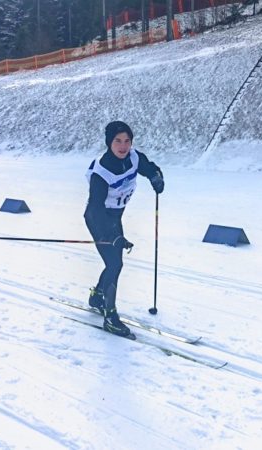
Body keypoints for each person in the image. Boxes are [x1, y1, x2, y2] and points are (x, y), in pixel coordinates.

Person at [84, 121, 164, 337]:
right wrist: (111, 237)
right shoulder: (101, 171)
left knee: (114, 263)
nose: (123, 146)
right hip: (98, 219)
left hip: (116, 217)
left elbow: (149, 168)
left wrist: (157, 177)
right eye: (118, 141)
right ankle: (110, 317)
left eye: (127, 141)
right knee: (115, 263)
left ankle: (97, 296)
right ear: (109, 142)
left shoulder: (134, 157)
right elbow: (94, 209)